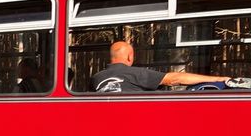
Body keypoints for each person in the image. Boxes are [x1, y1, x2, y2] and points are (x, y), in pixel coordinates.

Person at [91, 40, 231, 93]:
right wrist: (217, 79)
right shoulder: (136, 74)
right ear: (130, 56)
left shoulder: (96, 78)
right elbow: (174, 79)